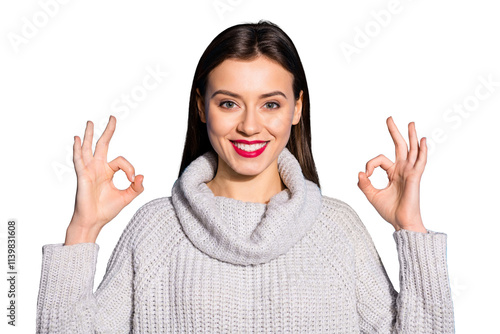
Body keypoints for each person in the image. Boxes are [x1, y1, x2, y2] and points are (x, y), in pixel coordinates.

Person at [36, 20, 455, 333]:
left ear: (296, 108)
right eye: (229, 103)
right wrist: (83, 229)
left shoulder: (336, 229)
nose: (250, 126)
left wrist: (410, 228)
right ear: (202, 108)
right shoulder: (155, 231)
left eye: (270, 104)